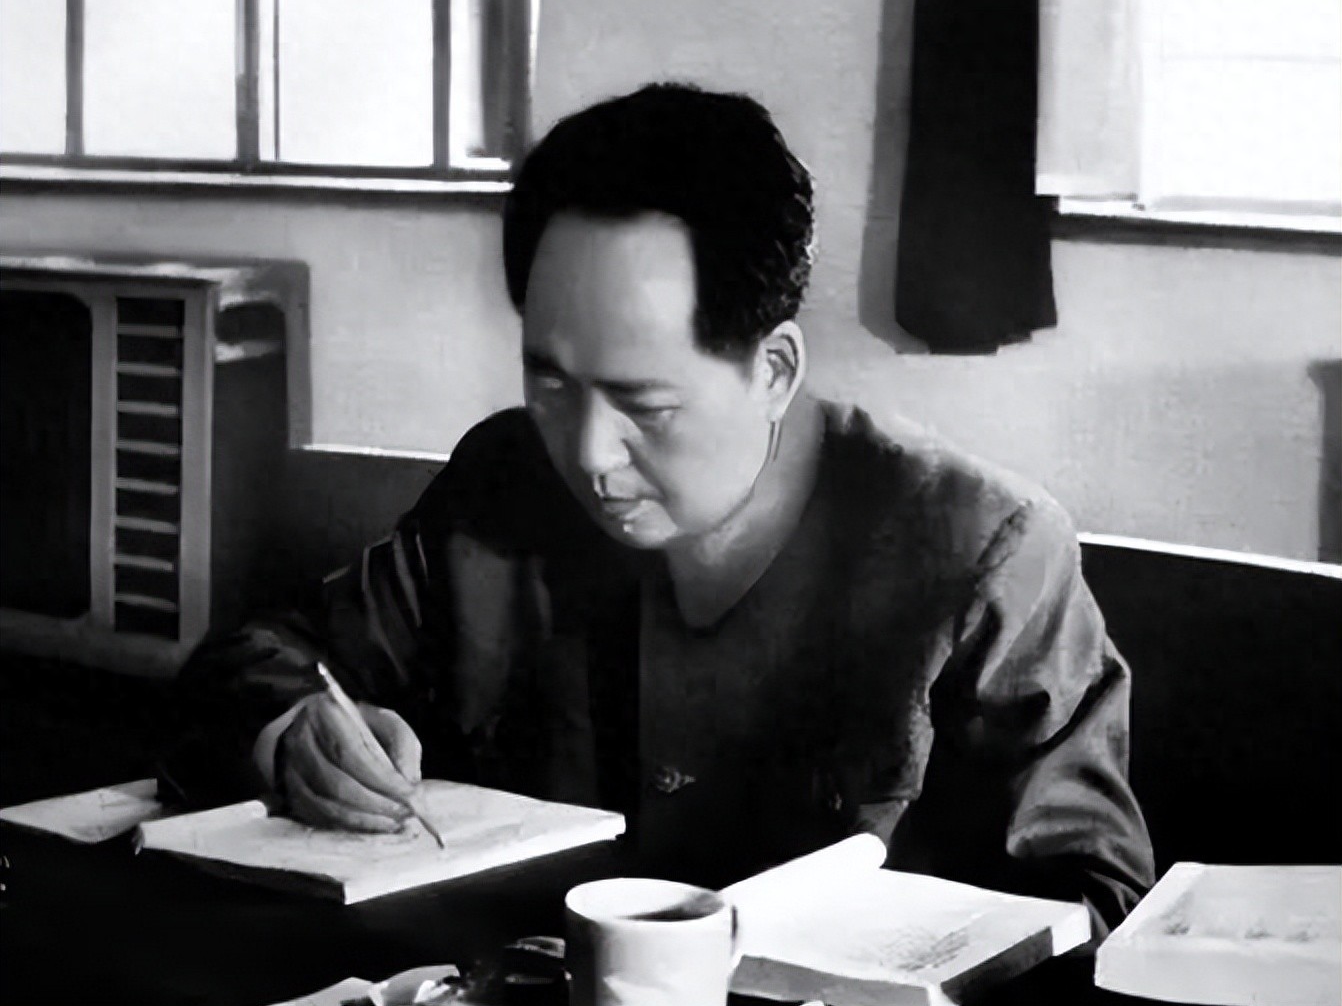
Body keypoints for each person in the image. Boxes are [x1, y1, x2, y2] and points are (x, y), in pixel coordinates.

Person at [164, 83, 1153, 936]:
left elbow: (1092, 903)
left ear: (774, 370)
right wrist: (296, 728)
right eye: (552, 383)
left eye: (646, 405)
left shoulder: (981, 552)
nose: (589, 454)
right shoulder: (504, 480)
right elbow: (257, 658)